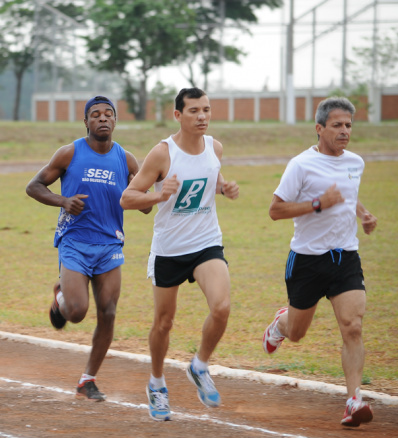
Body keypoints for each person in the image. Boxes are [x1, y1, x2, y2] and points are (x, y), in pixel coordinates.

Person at [120, 87, 239, 421]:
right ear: (178, 115)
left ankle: (199, 366)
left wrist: (224, 188)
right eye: (193, 111)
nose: (202, 117)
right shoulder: (162, 154)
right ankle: (157, 383)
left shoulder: (215, 147)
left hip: (206, 242)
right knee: (164, 322)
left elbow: (209, 179)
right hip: (170, 249)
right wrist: (159, 196)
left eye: (206, 110)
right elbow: (127, 198)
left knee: (222, 306)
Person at [25, 95, 151, 402]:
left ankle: (87, 380)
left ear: (115, 121)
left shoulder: (127, 159)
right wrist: (63, 201)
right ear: (86, 122)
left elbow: (145, 206)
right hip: (75, 243)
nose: (103, 118)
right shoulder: (70, 153)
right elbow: (34, 186)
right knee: (78, 312)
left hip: (110, 245)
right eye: (96, 115)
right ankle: (61, 297)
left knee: (108, 312)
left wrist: (151, 194)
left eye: (109, 114)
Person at [262, 96, 376, 428]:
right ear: (319, 128)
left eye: (349, 125)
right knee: (297, 333)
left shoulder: (356, 162)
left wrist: (363, 214)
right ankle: (280, 324)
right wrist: (317, 203)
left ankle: (354, 401)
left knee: (352, 327)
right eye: (338, 125)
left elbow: (347, 194)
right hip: (308, 260)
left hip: (345, 258)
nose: (344, 131)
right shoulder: (300, 165)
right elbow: (275, 210)